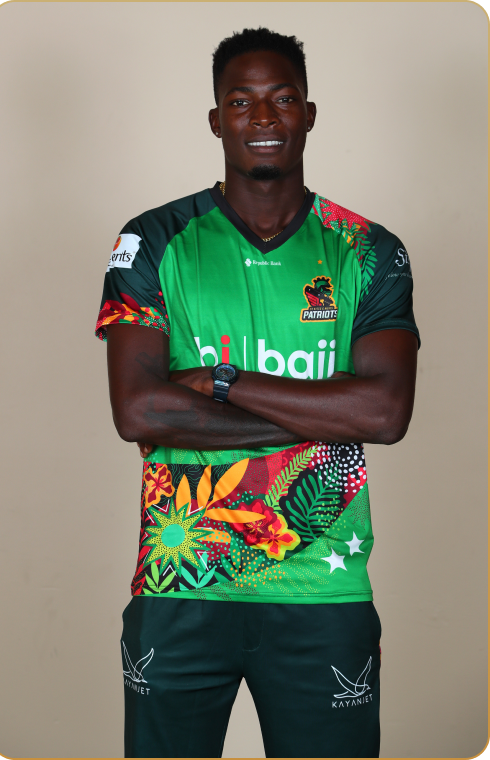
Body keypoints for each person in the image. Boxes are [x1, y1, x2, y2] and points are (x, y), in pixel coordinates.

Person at [95, 27, 419, 759]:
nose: (264, 118)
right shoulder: (153, 240)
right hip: (182, 583)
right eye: (241, 102)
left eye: (282, 99)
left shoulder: (369, 250)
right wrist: (326, 415)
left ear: (309, 113)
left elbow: (385, 413)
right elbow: (138, 410)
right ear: (216, 119)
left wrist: (222, 382)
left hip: (323, 592)